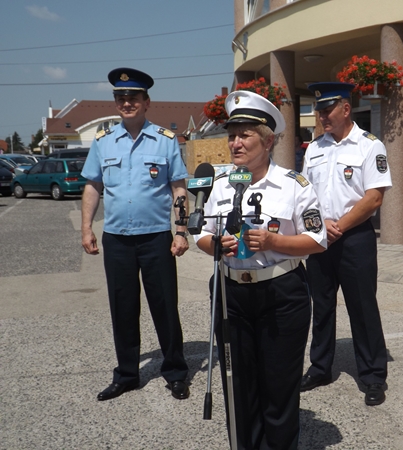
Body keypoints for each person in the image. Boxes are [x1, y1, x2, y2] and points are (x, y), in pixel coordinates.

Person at [194, 90, 327, 450]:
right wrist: (215, 244)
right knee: (238, 384)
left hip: (280, 293)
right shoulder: (220, 185)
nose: (235, 143)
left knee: (279, 385)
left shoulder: (294, 186)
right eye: (232, 135)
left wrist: (273, 242)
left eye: (245, 135)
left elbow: (317, 240)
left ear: (267, 141)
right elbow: (201, 236)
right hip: (231, 294)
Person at [81, 68, 191, 401]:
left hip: (156, 238)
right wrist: (86, 227)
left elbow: (178, 188)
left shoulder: (165, 140)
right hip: (116, 239)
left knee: (165, 306)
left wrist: (181, 231)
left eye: (133, 97)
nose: (126, 103)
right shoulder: (102, 141)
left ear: (146, 102)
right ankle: (127, 374)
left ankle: (175, 372)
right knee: (123, 308)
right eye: (121, 97)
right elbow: (93, 185)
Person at [300, 82, 391, 406]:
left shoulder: (369, 146)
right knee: (321, 306)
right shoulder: (314, 148)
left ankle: (373, 375)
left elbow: (374, 197)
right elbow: (305, 194)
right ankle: (320, 368)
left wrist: (339, 225)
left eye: (327, 110)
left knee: (362, 308)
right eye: (319, 111)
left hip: (355, 239)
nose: (322, 116)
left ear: (346, 109)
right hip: (320, 238)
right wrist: (319, 224)